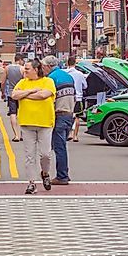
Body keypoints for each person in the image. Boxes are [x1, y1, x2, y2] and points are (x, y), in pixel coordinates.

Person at [12, 59, 56, 194]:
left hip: (45, 123)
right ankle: (32, 183)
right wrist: (31, 91)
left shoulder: (48, 82)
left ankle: (45, 173)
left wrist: (24, 95)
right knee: (29, 156)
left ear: (36, 70)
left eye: (27, 69)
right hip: (26, 123)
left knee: (45, 154)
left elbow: (44, 95)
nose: (24, 71)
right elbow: (14, 95)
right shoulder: (23, 82)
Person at [41, 56, 76, 185]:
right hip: (69, 114)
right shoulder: (68, 76)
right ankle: (63, 172)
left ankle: (62, 176)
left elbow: (48, 99)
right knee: (61, 146)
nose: (42, 69)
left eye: (44, 67)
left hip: (59, 114)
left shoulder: (51, 79)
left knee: (59, 147)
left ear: (49, 66)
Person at [65, 56, 88, 142]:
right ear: (75, 63)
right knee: (77, 117)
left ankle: (69, 133)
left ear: (67, 63)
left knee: (68, 116)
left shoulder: (65, 73)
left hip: (67, 97)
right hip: (78, 98)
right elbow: (85, 86)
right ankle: (75, 136)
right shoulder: (80, 74)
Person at [5, 54, 25, 141]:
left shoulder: (7, 68)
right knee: (22, 114)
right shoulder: (23, 69)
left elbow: (3, 81)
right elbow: (25, 81)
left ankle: (16, 135)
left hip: (11, 93)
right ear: (20, 60)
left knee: (13, 113)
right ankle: (22, 134)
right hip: (21, 93)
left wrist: (3, 91)